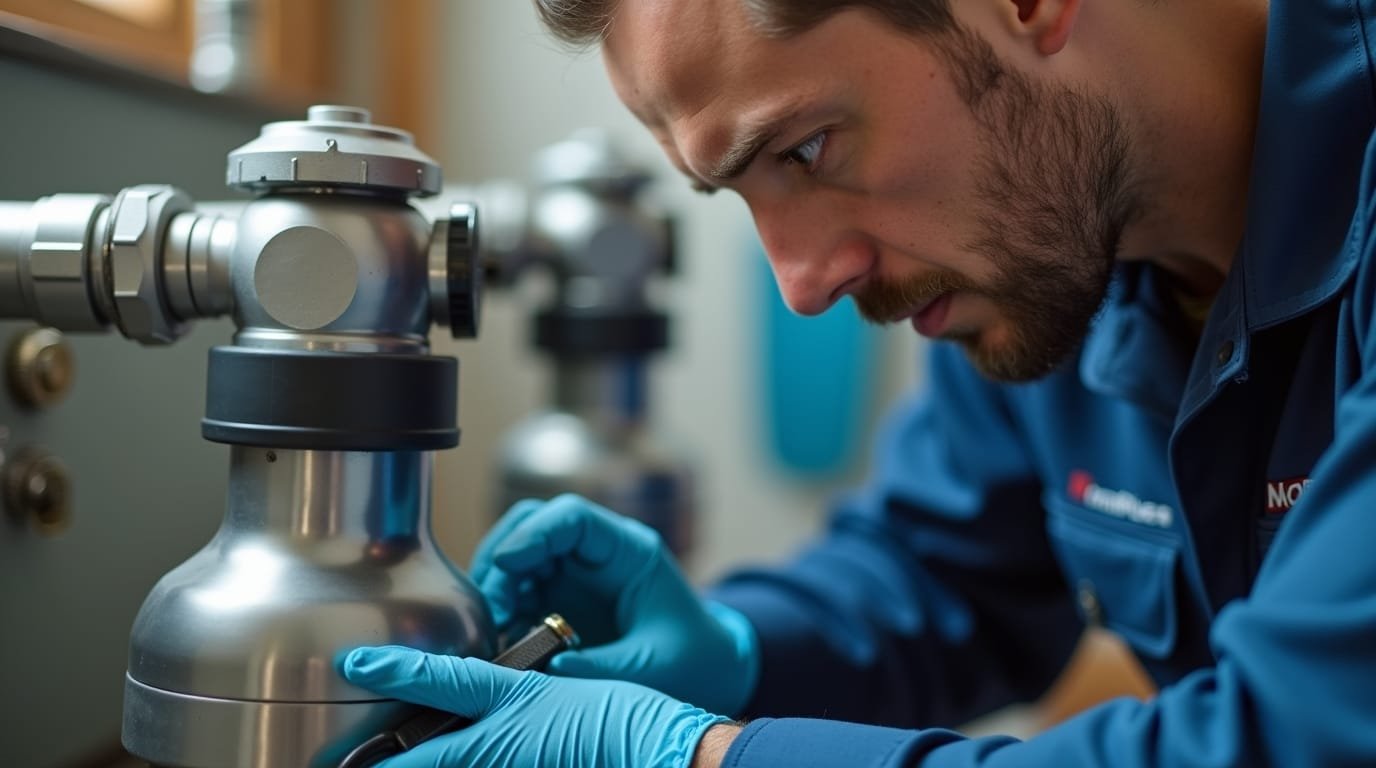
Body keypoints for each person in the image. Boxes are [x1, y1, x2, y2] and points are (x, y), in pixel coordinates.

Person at [338, 0, 1376, 765]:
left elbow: (1290, 739)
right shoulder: (1051, 248)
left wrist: (699, 759)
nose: (801, 284)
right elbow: (942, 571)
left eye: (805, 149)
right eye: (732, 193)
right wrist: (737, 652)